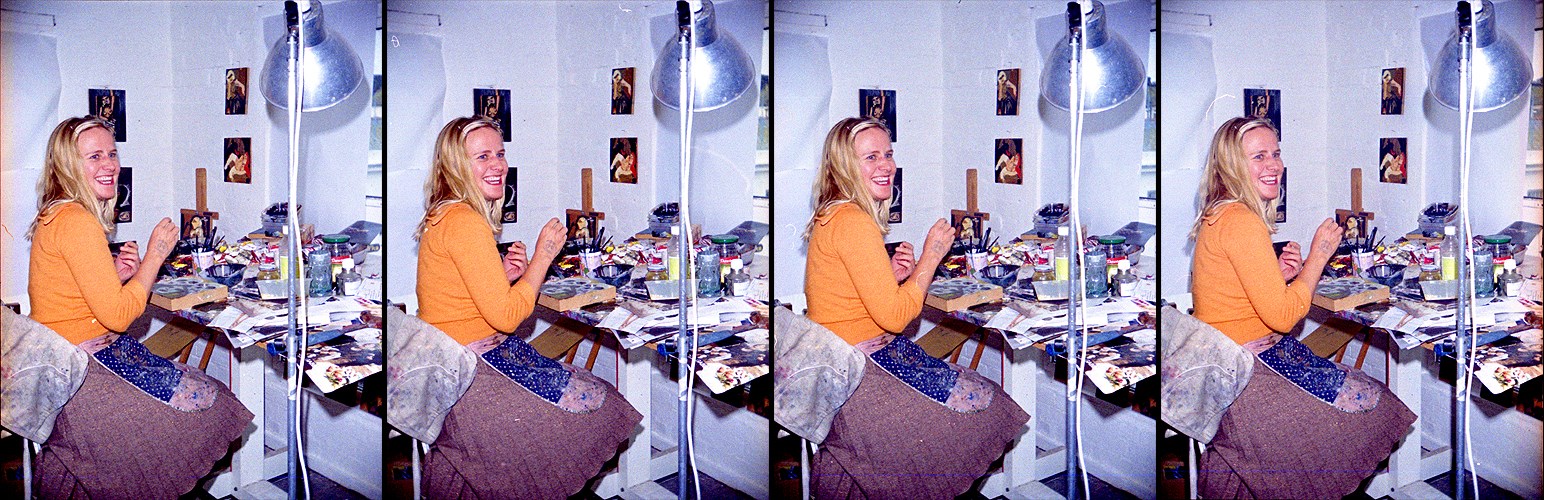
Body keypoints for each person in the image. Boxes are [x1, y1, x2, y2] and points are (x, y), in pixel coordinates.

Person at [801, 117, 1029, 498]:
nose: (886, 165)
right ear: (843, 165)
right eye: (871, 157)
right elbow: (896, 317)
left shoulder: (833, 213)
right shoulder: (855, 222)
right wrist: (931, 256)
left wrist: (890, 276)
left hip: (836, 366)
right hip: (857, 376)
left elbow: (848, 296)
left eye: (888, 154)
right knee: (990, 408)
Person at [413, 116, 640, 496]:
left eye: (500, 154)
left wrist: (503, 276)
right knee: (604, 408)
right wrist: (543, 257)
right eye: (482, 156)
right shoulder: (466, 222)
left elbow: (458, 294)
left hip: (446, 360)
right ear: (455, 165)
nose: (497, 165)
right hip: (467, 368)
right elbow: (507, 317)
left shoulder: (444, 213)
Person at [26, 116, 253, 498]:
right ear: (67, 165)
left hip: (58, 362)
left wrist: (114, 275)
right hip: (77, 371)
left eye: (112, 154)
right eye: (94, 156)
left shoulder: (56, 212)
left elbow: (70, 293)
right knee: (213, 406)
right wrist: (154, 256)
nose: (109, 165)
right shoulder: (78, 221)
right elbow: (118, 316)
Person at [1188, 117, 1414, 498]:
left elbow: (1234, 294)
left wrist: (1277, 275)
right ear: (1232, 165)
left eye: (1276, 154)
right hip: (1243, 376)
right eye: (1259, 156)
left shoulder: (1221, 213)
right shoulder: (1243, 221)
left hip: (1222, 366)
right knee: (1377, 407)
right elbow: (1284, 317)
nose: (1274, 165)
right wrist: (1318, 257)